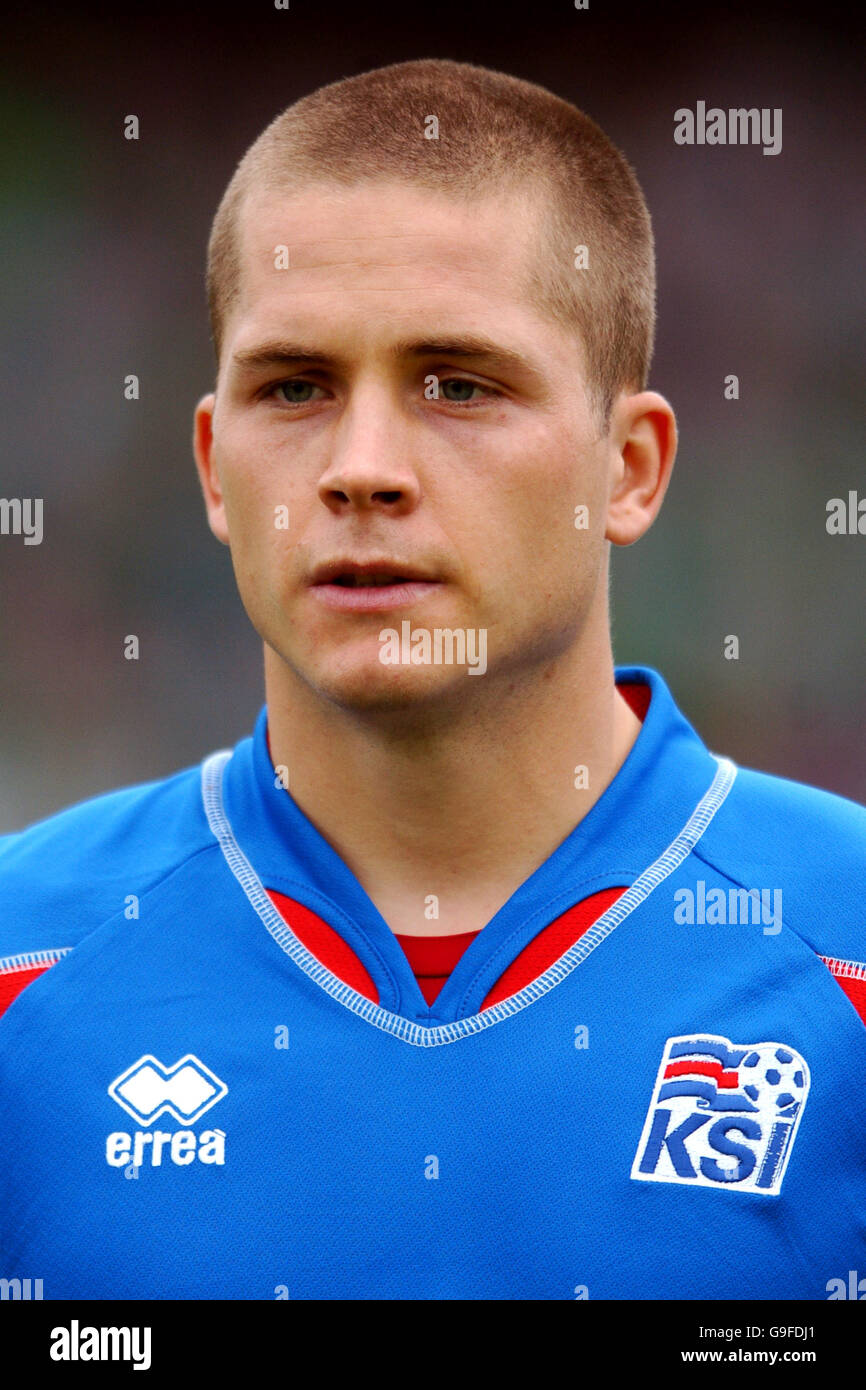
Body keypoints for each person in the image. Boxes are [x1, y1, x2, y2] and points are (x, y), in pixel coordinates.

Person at [1, 58, 864, 1301]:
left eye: (458, 384)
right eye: (293, 388)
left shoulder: (838, 953)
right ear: (209, 467)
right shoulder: (23, 966)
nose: (360, 468)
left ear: (626, 468)